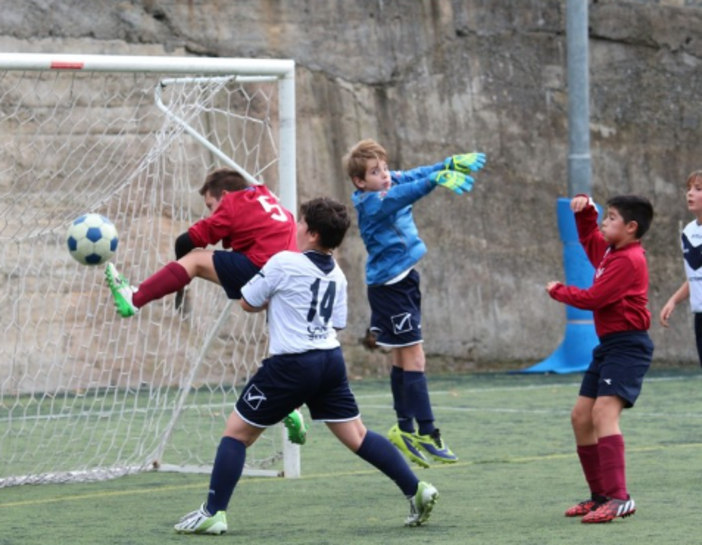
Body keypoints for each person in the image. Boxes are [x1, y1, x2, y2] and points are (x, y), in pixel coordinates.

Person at [174, 197, 439, 535]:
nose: (295, 227)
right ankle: (416, 489)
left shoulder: (283, 262)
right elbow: (336, 322)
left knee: (236, 434)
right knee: (358, 435)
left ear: (312, 233)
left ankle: (212, 512)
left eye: (300, 223)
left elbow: (246, 302)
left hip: (291, 365)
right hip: (330, 361)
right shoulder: (339, 276)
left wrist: (275, 297)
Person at [104, 167, 307, 444]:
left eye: (211, 205)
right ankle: (293, 407)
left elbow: (186, 241)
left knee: (196, 258)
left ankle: (133, 298)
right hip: (294, 277)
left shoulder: (234, 203)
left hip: (264, 269)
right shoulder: (267, 197)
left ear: (223, 194)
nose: (212, 212)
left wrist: (182, 280)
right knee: (282, 346)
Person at [343, 138, 486, 468]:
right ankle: (427, 430)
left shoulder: (388, 181)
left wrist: (447, 164)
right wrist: (436, 180)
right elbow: (407, 192)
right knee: (415, 357)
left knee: (401, 357)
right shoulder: (373, 202)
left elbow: (415, 176)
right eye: (375, 172)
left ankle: (404, 428)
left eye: (384, 167)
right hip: (390, 288)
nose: (385, 175)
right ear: (360, 182)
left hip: (403, 281)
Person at [545, 194, 654, 524]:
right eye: (605, 217)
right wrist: (586, 211)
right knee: (581, 416)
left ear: (631, 227)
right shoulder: (611, 251)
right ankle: (600, 496)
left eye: (611, 218)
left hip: (628, 346)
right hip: (609, 346)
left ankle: (620, 498)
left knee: (604, 412)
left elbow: (596, 298)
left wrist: (559, 291)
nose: (605, 223)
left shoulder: (629, 260)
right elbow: (589, 238)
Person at [659, 170, 702, 365]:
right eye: (688, 189)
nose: (690, 193)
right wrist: (674, 300)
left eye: (698, 189)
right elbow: (695, 275)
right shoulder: (688, 232)